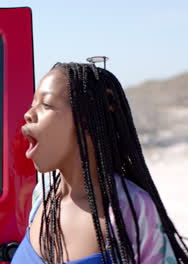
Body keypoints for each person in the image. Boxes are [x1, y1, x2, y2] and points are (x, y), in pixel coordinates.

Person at [12, 63, 187, 263]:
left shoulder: (132, 209)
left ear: (86, 121)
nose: (29, 114)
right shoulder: (42, 197)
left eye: (46, 105)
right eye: (33, 103)